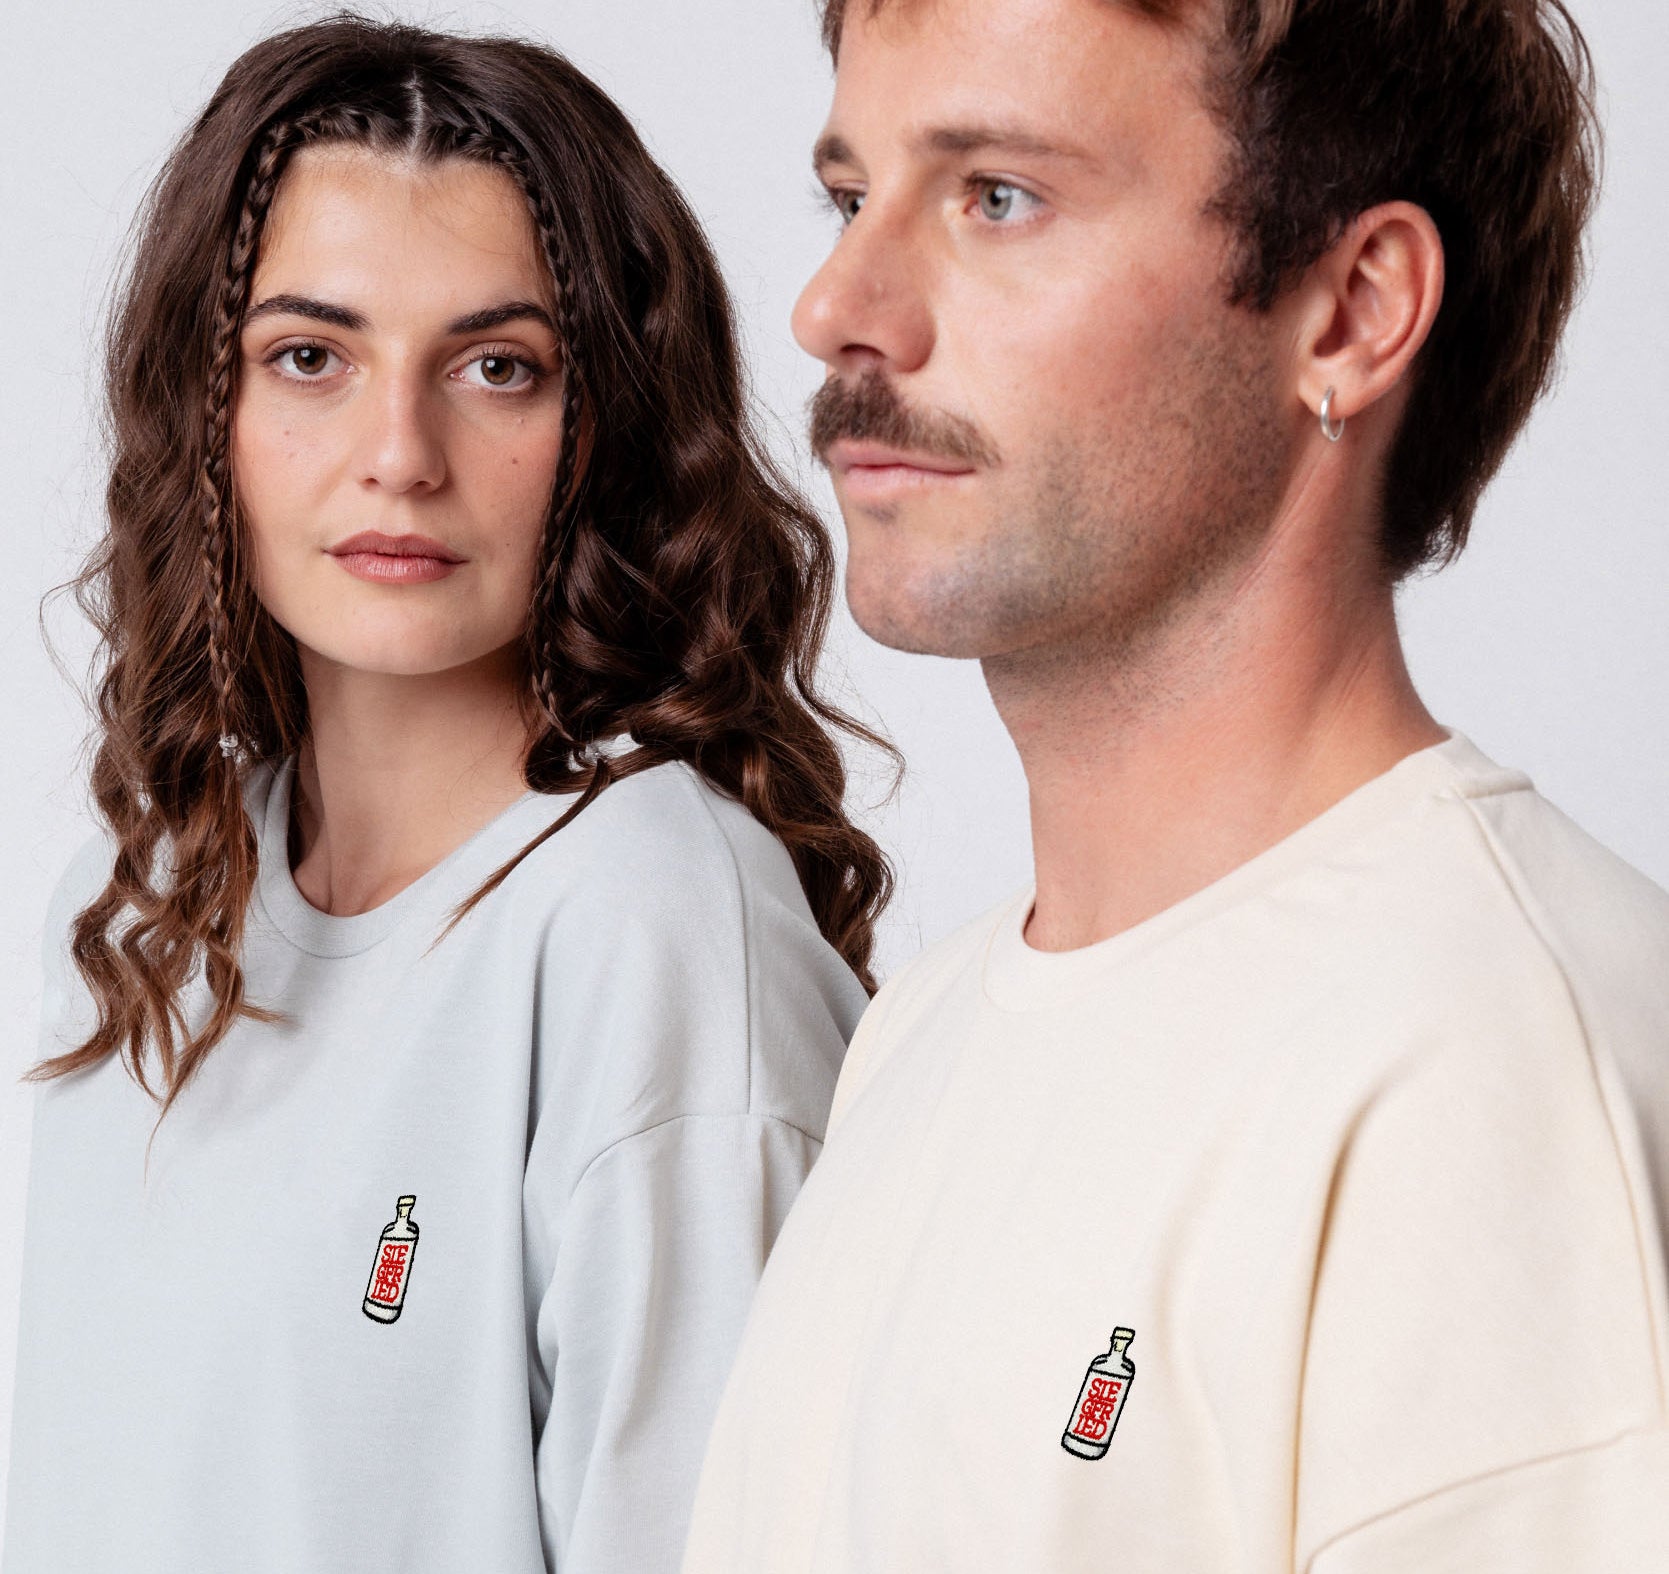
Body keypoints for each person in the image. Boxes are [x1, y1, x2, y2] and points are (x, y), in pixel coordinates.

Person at [681, 1, 1669, 1570]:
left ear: (1349, 313)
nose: (832, 306)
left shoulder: (1487, 1067)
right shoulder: (916, 1040)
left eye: (997, 196)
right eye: (849, 194)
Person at [4, 15, 892, 1574]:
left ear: (604, 424)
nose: (399, 453)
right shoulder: (148, 903)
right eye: (310, 357)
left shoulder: (655, 924)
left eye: (497, 368)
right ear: (205, 410)